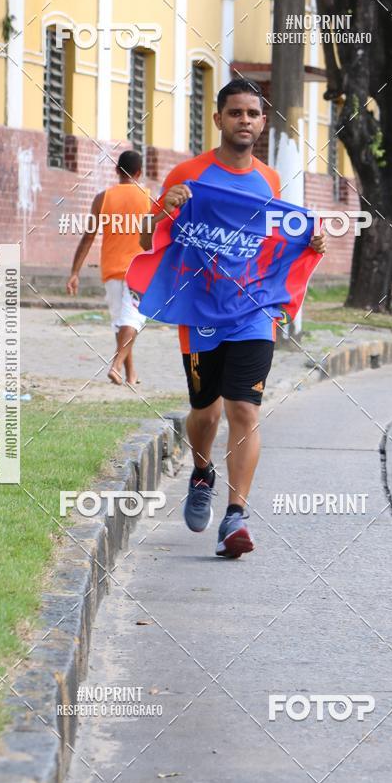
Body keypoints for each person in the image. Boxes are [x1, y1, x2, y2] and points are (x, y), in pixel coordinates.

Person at [139, 78, 326, 558]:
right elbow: (147, 239)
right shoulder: (189, 173)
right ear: (218, 118)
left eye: (253, 114)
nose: (245, 120)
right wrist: (166, 206)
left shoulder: (268, 181)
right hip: (200, 308)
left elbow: (274, 240)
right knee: (206, 410)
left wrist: (310, 244)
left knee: (244, 408)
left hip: (253, 309)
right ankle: (202, 472)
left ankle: (236, 515)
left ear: (263, 124)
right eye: (236, 112)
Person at [66, 150, 150, 385]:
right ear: (139, 172)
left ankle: (130, 374)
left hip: (111, 269)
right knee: (131, 321)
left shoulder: (102, 198)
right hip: (139, 270)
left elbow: (88, 237)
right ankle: (115, 365)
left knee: (121, 322)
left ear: (117, 171)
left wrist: (75, 272)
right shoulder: (149, 198)